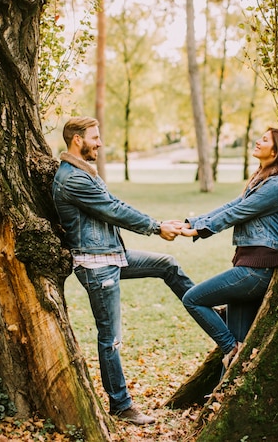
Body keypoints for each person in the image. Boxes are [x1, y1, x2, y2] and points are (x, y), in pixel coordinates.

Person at [52, 116, 194, 426]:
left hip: (115, 256)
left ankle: (208, 308)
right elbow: (113, 210)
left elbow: (114, 202)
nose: (100, 143)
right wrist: (156, 227)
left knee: (167, 265)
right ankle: (121, 404)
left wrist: (160, 224)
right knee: (111, 339)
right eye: (95, 137)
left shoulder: (84, 172)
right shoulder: (72, 178)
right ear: (77, 139)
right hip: (97, 266)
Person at [180, 128, 278, 371]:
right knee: (240, 340)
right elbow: (232, 204)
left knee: (193, 299)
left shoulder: (276, 186)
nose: (258, 141)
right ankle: (221, 400)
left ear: (277, 151)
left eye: (265, 140)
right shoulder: (262, 178)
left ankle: (230, 348)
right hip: (247, 267)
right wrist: (192, 223)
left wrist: (201, 230)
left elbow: (237, 213)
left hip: (255, 272)